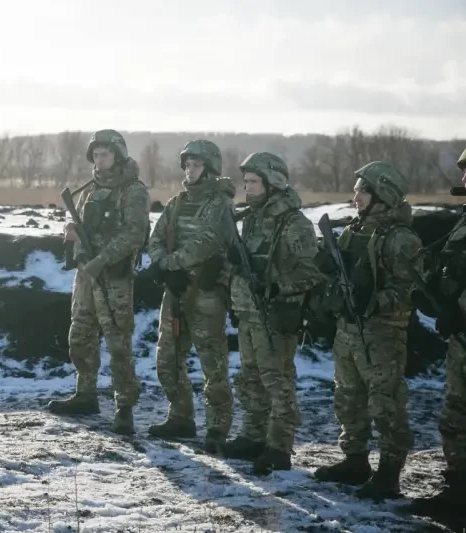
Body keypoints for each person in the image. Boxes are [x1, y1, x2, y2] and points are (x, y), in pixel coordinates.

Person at [313, 161, 421, 502]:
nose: (355, 196)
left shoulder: (401, 238)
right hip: (348, 329)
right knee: (348, 397)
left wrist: (373, 301)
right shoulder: (353, 230)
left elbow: (410, 289)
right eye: (357, 189)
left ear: (383, 195)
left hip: (382, 334)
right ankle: (355, 460)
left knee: (385, 402)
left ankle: (389, 472)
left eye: (363, 190)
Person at [223, 152, 322, 475]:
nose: (246, 188)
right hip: (248, 313)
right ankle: (253, 436)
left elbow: (312, 272)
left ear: (273, 183)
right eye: (245, 181)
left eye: (253, 182)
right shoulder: (251, 219)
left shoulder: (293, 223)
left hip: (276, 316)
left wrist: (277, 286)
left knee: (277, 382)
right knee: (250, 379)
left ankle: (279, 446)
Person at [47, 129, 150, 435]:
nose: (99, 159)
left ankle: (124, 407)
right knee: (80, 333)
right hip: (86, 275)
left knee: (118, 341)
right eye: (96, 154)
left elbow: (134, 234)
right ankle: (85, 393)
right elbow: (85, 226)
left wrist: (100, 260)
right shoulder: (90, 189)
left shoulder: (133, 190)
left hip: (113, 275)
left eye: (105, 153)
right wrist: (72, 236)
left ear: (118, 154)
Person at [145, 140, 234, 453]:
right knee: (167, 359)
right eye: (187, 164)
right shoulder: (177, 202)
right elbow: (155, 238)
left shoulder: (219, 203)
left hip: (205, 294)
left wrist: (171, 264)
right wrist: (163, 265)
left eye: (195, 164)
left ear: (209, 168)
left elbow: (206, 242)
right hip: (176, 291)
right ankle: (181, 415)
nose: (189, 170)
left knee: (213, 363)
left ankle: (218, 427)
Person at [403, 148, 466, 519]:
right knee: (456, 415)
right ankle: (458, 489)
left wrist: (458, 313)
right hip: (460, 338)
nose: (463, 178)